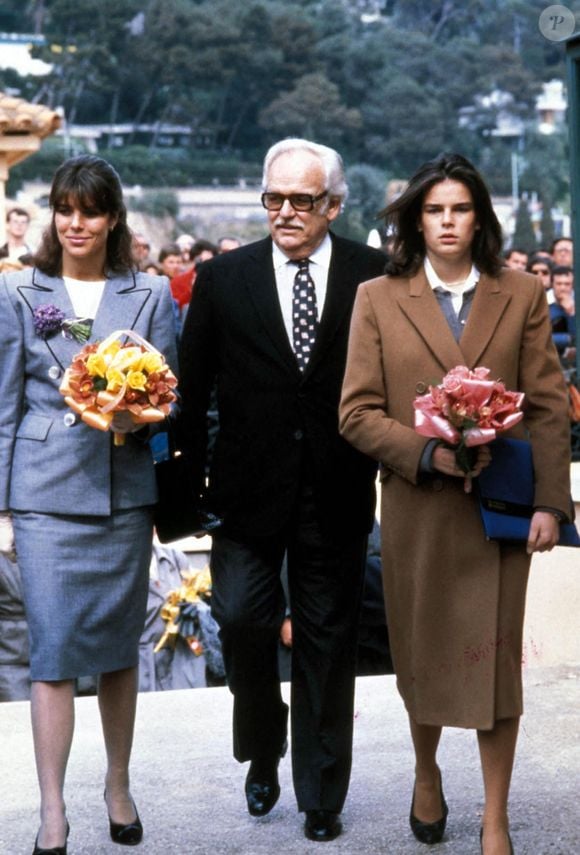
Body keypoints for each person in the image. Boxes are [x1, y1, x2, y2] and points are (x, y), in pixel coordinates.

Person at [339, 153, 572, 855]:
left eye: (460, 209)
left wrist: (552, 505)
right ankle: (427, 771)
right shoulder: (377, 297)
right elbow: (355, 412)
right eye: (434, 210)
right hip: (419, 509)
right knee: (423, 658)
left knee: (496, 664)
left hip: (500, 507)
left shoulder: (522, 292)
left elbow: (550, 404)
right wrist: (428, 451)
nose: (447, 222)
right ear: (416, 218)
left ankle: (494, 820)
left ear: (480, 218)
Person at [176, 138, 385, 842]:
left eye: (302, 200)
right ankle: (264, 741)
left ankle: (322, 791)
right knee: (240, 619)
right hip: (244, 490)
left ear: (333, 204)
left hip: (337, 485)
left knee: (329, 639)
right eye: (274, 198)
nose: (286, 212)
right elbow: (191, 388)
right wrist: (184, 492)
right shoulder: (224, 277)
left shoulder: (374, 274)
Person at [0, 155, 177, 854]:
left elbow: (171, 394)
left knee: (117, 650)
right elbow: (4, 406)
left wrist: (133, 411)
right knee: (51, 651)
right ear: (54, 215)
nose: (77, 224)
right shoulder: (18, 291)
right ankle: (51, 810)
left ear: (113, 218)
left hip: (123, 492)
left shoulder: (149, 293)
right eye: (65, 210)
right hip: (42, 497)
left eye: (91, 211)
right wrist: (1, 510)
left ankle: (118, 783)